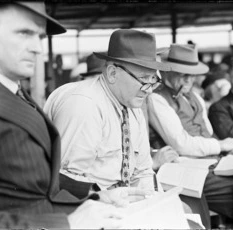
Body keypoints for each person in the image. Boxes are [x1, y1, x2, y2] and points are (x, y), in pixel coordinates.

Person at [0, 2, 149, 229]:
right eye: (23, 32)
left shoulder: (14, 93)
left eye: (40, 37)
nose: (37, 48)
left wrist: (95, 197)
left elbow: (39, 187)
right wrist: (68, 223)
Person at [147, 44, 233, 228]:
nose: (189, 80)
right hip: (189, 169)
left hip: (213, 165)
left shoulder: (195, 98)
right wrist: (221, 146)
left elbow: (209, 134)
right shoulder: (156, 98)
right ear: (167, 72)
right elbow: (182, 144)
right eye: (183, 74)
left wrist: (228, 153)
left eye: (192, 74)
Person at [44, 29, 171, 192]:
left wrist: (156, 202)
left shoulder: (132, 105)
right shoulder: (84, 105)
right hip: (89, 206)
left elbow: (143, 171)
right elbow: (66, 182)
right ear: (112, 73)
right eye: (143, 79)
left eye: (153, 79)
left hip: (123, 202)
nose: (149, 90)